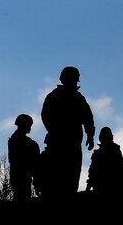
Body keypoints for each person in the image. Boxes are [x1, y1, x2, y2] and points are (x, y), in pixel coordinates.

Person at [40, 66, 95, 196]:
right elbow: (46, 117)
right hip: (58, 143)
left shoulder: (77, 98)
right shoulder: (55, 96)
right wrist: (56, 131)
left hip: (71, 143)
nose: (75, 82)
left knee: (71, 177)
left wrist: (90, 136)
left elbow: (88, 119)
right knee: (58, 178)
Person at [8, 113, 40, 202]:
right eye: (29, 125)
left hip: (20, 175)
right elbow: (14, 160)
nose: (30, 127)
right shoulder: (24, 142)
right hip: (21, 176)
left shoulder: (16, 141)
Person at [86, 127, 123, 192]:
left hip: (112, 185)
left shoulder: (115, 151)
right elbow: (92, 171)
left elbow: (119, 167)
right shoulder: (97, 153)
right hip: (98, 185)